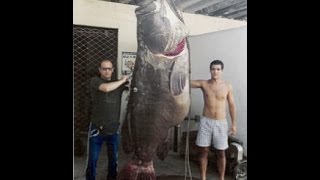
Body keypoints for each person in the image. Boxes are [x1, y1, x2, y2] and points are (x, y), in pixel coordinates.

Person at [191, 60, 237, 180]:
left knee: (221, 152)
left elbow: (232, 105)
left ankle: (221, 178)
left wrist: (234, 124)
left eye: (218, 69)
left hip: (221, 123)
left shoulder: (227, 86)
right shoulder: (204, 84)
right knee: (204, 151)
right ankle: (203, 177)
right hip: (206, 121)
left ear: (221, 71)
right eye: (213, 69)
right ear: (210, 70)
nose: (215, 71)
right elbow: (186, 83)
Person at [85, 59, 129, 180]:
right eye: (104, 69)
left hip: (113, 129)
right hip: (97, 128)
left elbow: (135, 84)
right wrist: (122, 80)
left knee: (113, 161)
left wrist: (129, 76)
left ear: (113, 70)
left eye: (109, 69)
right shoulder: (95, 81)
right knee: (92, 160)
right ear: (100, 70)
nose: (107, 71)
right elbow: (105, 88)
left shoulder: (118, 83)